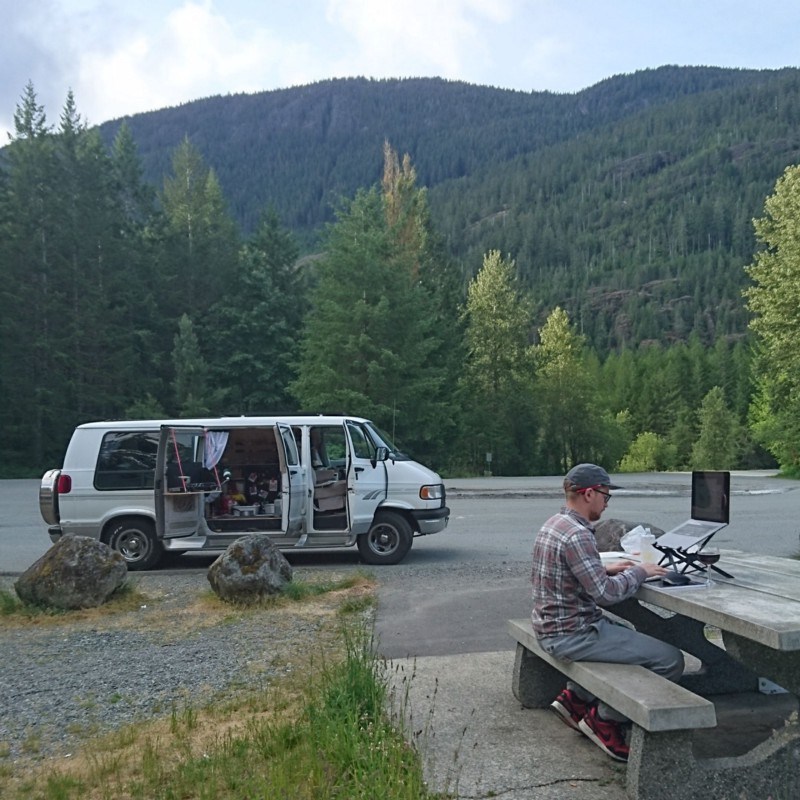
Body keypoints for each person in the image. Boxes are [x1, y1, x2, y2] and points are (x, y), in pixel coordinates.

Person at [530, 463, 684, 762]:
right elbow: (606, 594)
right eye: (605, 495)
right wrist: (640, 572)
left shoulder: (555, 524)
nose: (607, 502)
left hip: (550, 626)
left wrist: (603, 567)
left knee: (627, 635)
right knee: (670, 659)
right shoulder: (578, 535)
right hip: (570, 635)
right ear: (589, 494)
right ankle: (605, 720)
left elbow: (571, 572)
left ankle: (575, 698)